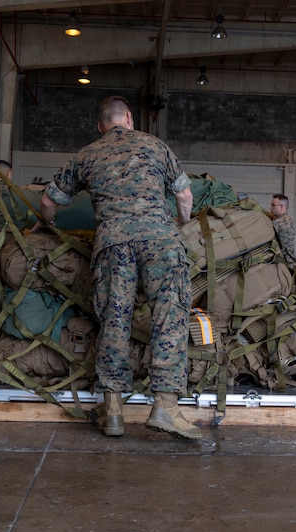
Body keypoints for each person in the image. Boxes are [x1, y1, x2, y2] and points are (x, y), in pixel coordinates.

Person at [38, 96, 201, 440]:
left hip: (113, 244)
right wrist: (181, 223)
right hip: (160, 240)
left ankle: (112, 411)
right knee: (169, 317)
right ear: (129, 118)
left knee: (114, 322)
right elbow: (185, 196)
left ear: (101, 126)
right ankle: (166, 408)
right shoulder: (155, 145)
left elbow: (48, 201)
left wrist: (47, 225)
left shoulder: (87, 154)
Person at [269, 194, 296, 264]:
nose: (270, 207)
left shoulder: (277, 222)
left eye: (273, 205)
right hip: (290, 261)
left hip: (281, 262)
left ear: (281, 207)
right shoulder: (290, 220)